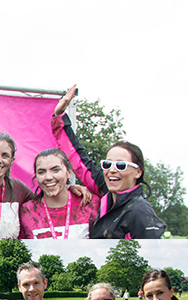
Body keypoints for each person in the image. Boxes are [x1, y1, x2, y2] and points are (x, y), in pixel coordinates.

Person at [51, 85, 166, 239]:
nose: (112, 170)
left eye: (121, 165)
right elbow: (79, 159)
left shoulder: (140, 212)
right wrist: (59, 117)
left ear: (138, 172)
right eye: (107, 164)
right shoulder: (107, 189)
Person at [18, 148, 98, 239]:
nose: (48, 177)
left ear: (68, 172)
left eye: (55, 170)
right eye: (41, 172)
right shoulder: (27, 211)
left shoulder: (91, 204)